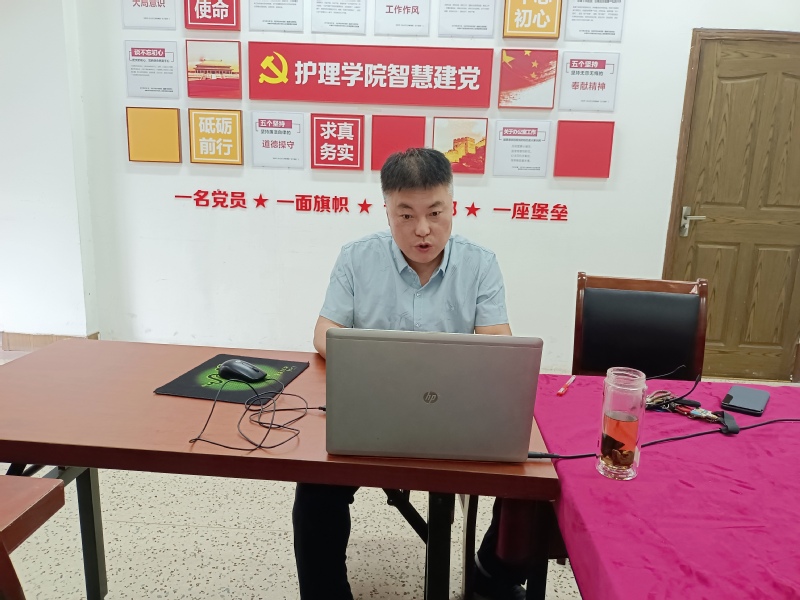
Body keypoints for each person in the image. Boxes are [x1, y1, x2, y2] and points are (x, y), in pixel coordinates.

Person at [293, 148, 529, 600]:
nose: (422, 229)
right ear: (386, 211)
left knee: (525, 475)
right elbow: (324, 332)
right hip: (376, 412)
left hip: (455, 415)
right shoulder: (356, 259)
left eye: (435, 213)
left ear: (453, 206)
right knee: (316, 489)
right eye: (406, 215)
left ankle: (490, 575)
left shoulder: (480, 264)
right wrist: (371, 361)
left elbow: (498, 343)